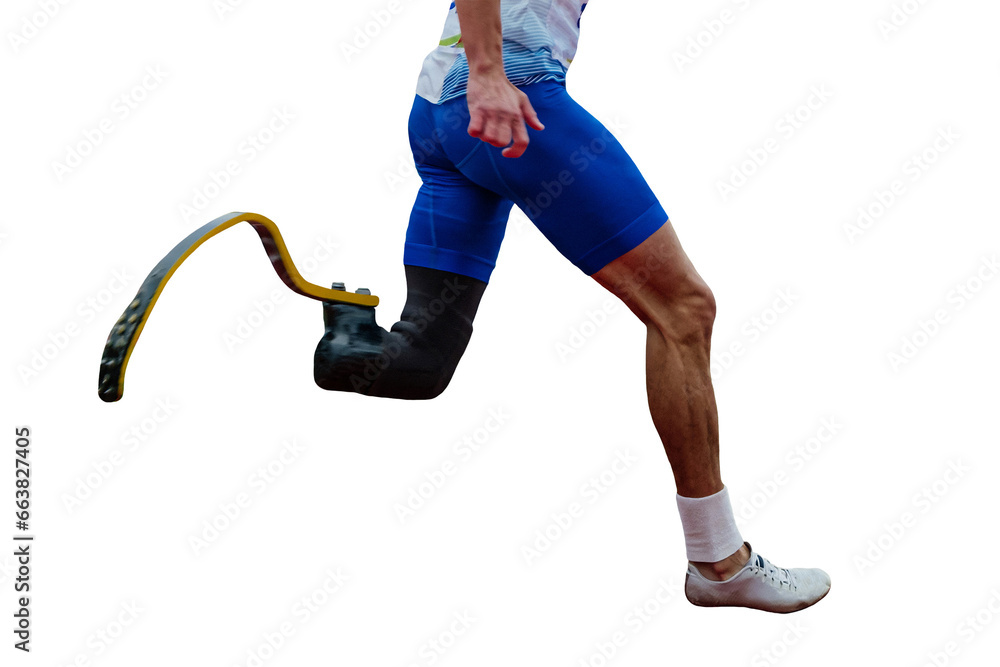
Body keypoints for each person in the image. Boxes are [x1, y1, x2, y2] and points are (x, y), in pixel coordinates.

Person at [314, 0, 830, 613]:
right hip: (512, 97)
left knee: (420, 362)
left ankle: (347, 330)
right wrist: (487, 73)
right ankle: (719, 562)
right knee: (682, 310)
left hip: (438, 117)